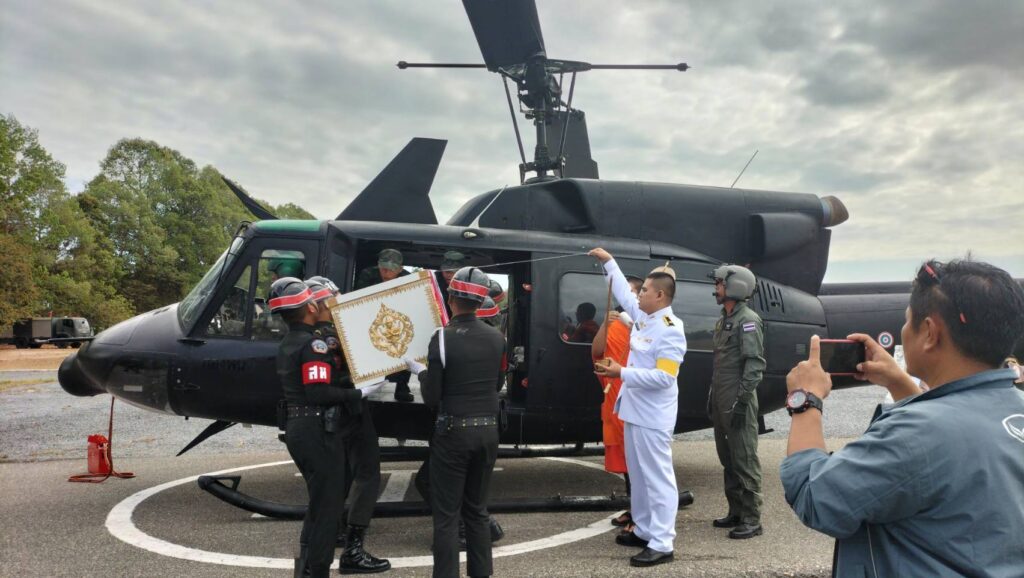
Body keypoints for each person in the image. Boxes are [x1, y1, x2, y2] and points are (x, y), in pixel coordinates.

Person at [781, 259, 1024, 577]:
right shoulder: (1014, 408)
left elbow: (814, 496)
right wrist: (899, 383)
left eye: (908, 321)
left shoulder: (917, 433)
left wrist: (805, 400)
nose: (903, 330)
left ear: (930, 333)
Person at [270, 277, 383, 578]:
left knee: (320, 505)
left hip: (300, 426)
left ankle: (306, 570)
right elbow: (318, 392)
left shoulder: (289, 342)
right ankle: (317, 570)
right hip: (316, 427)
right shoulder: (313, 344)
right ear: (310, 306)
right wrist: (359, 392)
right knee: (329, 510)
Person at [588, 249, 687, 568]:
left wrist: (622, 372)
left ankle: (662, 542)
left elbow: (665, 377)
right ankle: (644, 529)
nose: (638, 294)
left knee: (658, 479)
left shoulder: (670, 328)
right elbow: (621, 291)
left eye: (644, 290)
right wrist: (608, 262)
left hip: (653, 417)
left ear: (660, 296)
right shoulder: (645, 317)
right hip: (633, 411)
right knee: (640, 477)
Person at [404, 266, 504, 578]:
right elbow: (497, 383)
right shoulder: (497, 337)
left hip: (453, 432)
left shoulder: (442, 339)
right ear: (481, 301)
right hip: (488, 430)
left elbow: (432, 396)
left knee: (447, 516)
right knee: (477, 511)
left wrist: (420, 371)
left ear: (450, 299)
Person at [304, 277, 390, 574]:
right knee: (366, 474)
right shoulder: (329, 336)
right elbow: (336, 377)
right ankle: (352, 549)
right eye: (335, 297)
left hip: (332, 416)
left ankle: (334, 535)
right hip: (347, 412)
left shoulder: (314, 334)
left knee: (339, 477)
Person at [708, 264, 765, 539]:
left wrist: (742, 402)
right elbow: (721, 363)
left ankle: (752, 518)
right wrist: (713, 396)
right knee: (728, 458)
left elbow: (754, 364)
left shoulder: (748, 320)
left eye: (719, 283)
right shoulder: (723, 320)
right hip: (722, 398)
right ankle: (736, 511)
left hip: (737, 399)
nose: (716, 288)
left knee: (744, 459)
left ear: (734, 286)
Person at [591, 275, 643, 530]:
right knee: (625, 460)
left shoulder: (645, 325)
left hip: (637, 401)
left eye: (631, 293)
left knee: (638, 462)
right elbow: (596, 352)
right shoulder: (614, 324)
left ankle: (641, 515)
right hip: (615, 400)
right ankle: (634, 508)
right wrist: (605, 324)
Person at [354, 249, 414, 402]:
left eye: (391, 269)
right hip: (370, 317)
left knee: (405, 347)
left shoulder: (408, 278)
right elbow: (360, 299)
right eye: (383, 268)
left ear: (400, 269)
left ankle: (402, 387)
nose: (386, 272)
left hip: (397, 318)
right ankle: (366, 386)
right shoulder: (368, 275)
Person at [433, 250, 467, 318]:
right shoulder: (433, 283)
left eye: (452, 272)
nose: (448, 275)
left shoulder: (469, 287)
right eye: (446, 271)